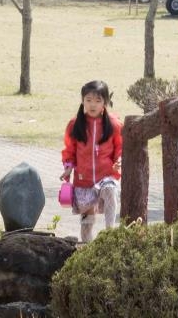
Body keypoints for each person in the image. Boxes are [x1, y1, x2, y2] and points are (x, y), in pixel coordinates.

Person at [60, 80, 123, 243]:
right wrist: (68, 167)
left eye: (97, 100)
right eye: (88, 100)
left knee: (110, 189)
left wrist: (119, 161)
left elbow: (120, 147)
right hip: (84, 181)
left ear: (105, 102)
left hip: (106, 176)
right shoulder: (74, 125)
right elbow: (69, 150)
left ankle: (111, 234)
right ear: (82, 101)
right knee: (87, 224)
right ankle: (88, 247)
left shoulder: (114, 124)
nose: (92, 105)